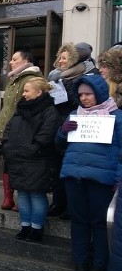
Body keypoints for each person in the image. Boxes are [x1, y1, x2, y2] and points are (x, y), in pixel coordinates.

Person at [56, 74, 122, 271]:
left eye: (88, 94)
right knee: (79, 223)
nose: (84, 98)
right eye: (81, 94)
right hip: (74, 177)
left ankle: (99, 267)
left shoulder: (117, 116)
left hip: (101, 179)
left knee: (99, 225)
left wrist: (118, 179)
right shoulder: (75, 114)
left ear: (99, 93)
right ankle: (80, 263)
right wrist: (62, 132)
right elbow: (58, 144)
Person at [2, 77, 60, 243]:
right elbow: (9, 129)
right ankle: (25, 226)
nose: (24, 94)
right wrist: (8, 148)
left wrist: (31, 150)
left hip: (38, 160)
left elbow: (46, 135)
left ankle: (37, 229)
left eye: (27, 91)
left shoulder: (49, 111)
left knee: (36, 195)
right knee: (23, 194)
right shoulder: (20, 110)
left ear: (39, 92)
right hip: (18, 159)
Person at [47, 43, 97, 219]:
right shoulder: (54, 78)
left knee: (72, 171)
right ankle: (58, 203)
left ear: (74, 60)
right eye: (59, 57)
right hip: (57, 128)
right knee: (58, 168)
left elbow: (82, 104)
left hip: (75, 128)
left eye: (65, 58)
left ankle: (69, 206)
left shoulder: (86, 76)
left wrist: (64, 97)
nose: (60, 61)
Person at [0, 49, 42, 210]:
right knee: (8, 162)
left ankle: (22, 198)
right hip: (9, 128)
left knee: (20, 163)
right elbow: (7, 106)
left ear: (25, 60)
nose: (10, 62)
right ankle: (8, 198)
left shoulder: (32, 78)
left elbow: (31, 106)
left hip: (22, 129)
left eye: (15, 59)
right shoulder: (14, 79)